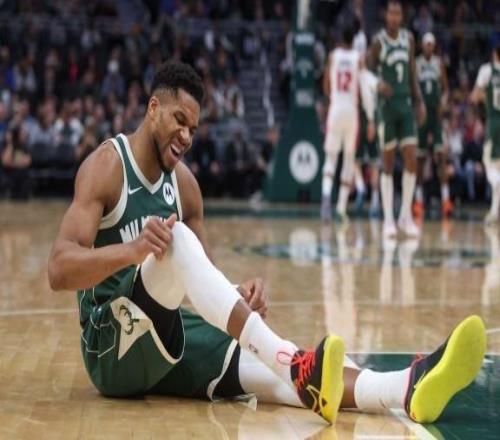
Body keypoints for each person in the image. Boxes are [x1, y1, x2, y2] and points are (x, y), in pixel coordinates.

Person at [48, 60, 486, 426]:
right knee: (176, 238)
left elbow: (201, 277)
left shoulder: (185, 187)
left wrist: (237, 292)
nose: (186, 136)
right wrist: (131, 251)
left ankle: (404, 387)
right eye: (179, 120)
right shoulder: (108, 166)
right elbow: (58, 269)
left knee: (274, 373)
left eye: (193, 128)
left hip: (158, 336)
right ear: (153, 108)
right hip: (109, 347)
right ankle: (291, 361)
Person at [368, 0, 426, 238]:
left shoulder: (408, 39)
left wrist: (419, 101)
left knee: (412, 160)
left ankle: (405, 216)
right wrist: (377, 83)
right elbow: (366, 70)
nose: (394, 17)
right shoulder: (378, 42)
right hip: (387, 108)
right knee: (388, 163)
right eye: (391, 13)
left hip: (406, 105)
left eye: (397, 13)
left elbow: (412, 73)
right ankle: (388, 219)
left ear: (401, 16)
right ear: (386, 16)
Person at [321, 25, 376, 223]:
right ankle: (341, 208)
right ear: (354, 40)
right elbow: (365, 89)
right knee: (349, 160)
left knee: (330, 158)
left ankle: (326, 197)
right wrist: (371, 117)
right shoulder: (358, 59)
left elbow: (326, 86)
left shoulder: (333, 56)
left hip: (336, 108)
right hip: (352, 112)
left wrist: (333, 95)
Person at [415, 32, 452, 219]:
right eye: (426, 44)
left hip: (435, 116)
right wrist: (417, 107)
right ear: (422, 45)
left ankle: (446, 199)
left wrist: (443, 102)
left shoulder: (439, 63)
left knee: (441, 157)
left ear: (434, 45)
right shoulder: (417, 64)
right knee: (420, 159)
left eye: (431, 44)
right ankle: (418, 200)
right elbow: (413, 88)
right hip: (422, 116)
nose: (429, 47)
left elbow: (445, 88)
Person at [471, 43, 500, 224]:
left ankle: (496, 184)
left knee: (489, 163)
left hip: (494, 123)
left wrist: (486, 97)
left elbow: (474, 96)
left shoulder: (487, 70)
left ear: (495, 54)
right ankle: (494, 212)